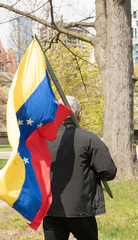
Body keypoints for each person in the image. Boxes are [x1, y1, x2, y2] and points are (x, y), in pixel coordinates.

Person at [43, 96, 117, 240]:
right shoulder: (89, 139)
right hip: (81, 210)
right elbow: (108, 171)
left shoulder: (44, 140)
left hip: (51, 209)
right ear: (79, 115)